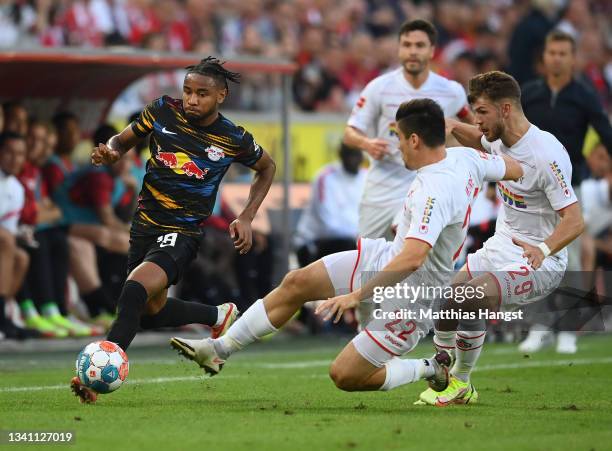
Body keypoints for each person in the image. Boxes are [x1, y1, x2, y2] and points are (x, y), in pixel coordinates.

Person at [170, 99, 523, 395]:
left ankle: (432, 367)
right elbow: (515, 167)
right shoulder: (468, 159)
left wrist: (358, 296)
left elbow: (414, 258)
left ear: (415, 139)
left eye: (398, 137)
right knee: (297, 282)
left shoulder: (437, 189)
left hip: (415, 291)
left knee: (345, 375)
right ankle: (219, 350)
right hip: (386, 255)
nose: (396, 145)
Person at [70, 57, 277, 403]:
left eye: (202, 94)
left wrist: (247, 216)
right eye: (188, 91)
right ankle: (218, 314)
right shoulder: (161, 111)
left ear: (221, 96)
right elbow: (122, 141)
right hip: (143, 226)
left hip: (182, 231)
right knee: (147, 314)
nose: (192, 100)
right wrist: (110, 152)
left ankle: (97, 375)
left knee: (134, 291)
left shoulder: (232, 137)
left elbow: (267, 167)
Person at [420, 71, 584, 406]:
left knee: (465, 299)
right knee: (447, 304)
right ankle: (449, 373)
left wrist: (542, 248)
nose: (477, 121)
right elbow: (477, 140)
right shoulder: (496, 137)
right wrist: (451, 125)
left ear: (505, 109)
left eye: (481, 112)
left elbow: (575, 220)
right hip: (501, 245)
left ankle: (459, 382)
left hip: (538, 260)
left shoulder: (546, 154)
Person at [342, 19, 473, 326]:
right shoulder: (380, 88)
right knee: (367, 265)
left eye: (419, 45)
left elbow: (473, 129)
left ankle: (427, 328)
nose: (412, 52)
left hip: (426, 185)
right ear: (399, 49)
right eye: (407, 45)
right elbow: (350, 132)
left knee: (424, 259)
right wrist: (366, 143)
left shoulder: (451, 91)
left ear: (432, 51)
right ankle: (364, 326)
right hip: (382, 187)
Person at [519, 30, 612, 354]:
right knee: (532, 255)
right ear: (544, 57)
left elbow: (606, 134)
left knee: (571, 260)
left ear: (572, 58)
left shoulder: (585, 96)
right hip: (529, 188)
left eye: (563, 53)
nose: (556, 58)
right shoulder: (528, 94)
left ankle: (569, 329)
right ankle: (539, 326)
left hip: (570, 189)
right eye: (552, 52)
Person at [294, 142, 366, 267]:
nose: (354, 159)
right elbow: (329, 226)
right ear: (341, 155)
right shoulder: (325, 177)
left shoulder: (367, 177)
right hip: (315, 243)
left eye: (357, 154)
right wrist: (361, 237)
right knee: (350, 246)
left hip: (353, 243)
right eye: (350, 154)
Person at [0, 132, 40, 340]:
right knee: (6, 240)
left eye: (20, 154)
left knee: (21, 257)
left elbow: (8, 228)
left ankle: (4, 315)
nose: (15, 159)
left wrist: (22, 235)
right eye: (9, 152)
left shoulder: (16, 188)